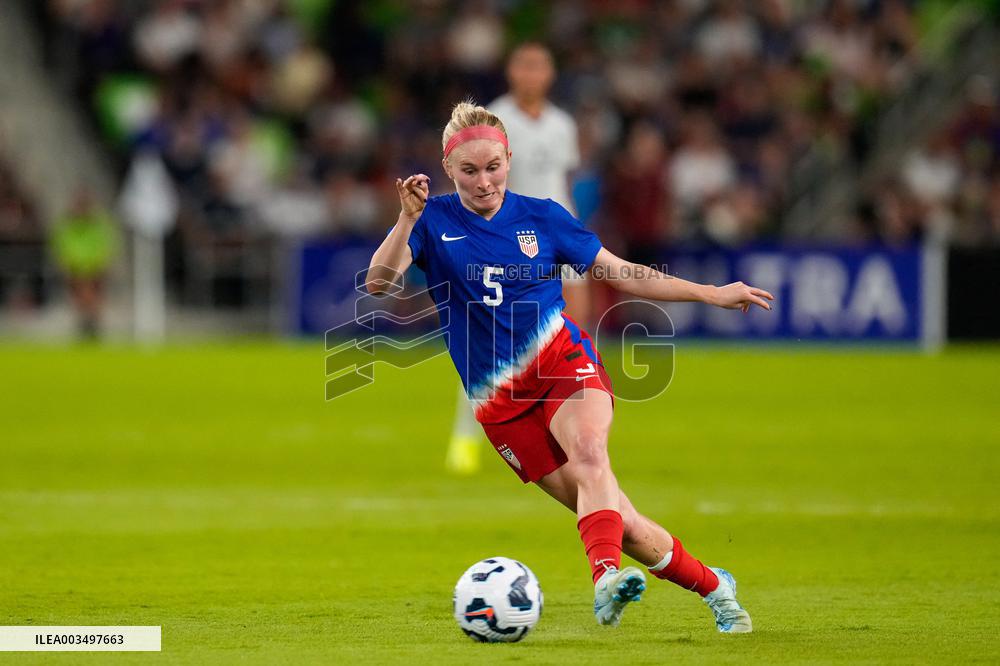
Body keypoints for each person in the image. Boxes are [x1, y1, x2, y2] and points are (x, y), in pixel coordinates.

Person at [367, 102, 772, 631]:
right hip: (499, 404)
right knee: (620, 523)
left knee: (589, 453)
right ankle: (716, 587)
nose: (484, 181)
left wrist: (709, 293)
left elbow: (622, 272)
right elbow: (378, 282)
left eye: (493, 166)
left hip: (563, 361)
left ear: (509, 158)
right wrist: (406, 218)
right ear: (449, 170)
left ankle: (604, 578)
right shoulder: (432, 220)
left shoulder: (543, 217)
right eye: (469, 171)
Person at [445, 43, 584, 475]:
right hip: (505, 241)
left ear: (551, 73)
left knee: (567, 336)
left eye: (539, 66)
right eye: (524, 65)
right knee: (489, 348)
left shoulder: (563, 123)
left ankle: (565, 435)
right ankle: (466, 436)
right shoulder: (495, 121)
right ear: (511, 72)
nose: (532, 74)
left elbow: (562, 181)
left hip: (553, 237)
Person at [51, 187, 119, 339]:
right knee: (81, 299)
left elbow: (106, 246)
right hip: (75, 269)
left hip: (94, 269)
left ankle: (93, 327)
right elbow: (60, 246)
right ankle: (83, 327)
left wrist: (100, 264)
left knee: (92, 298)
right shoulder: (67, 224)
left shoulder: (99, 224)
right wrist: (68, 264)